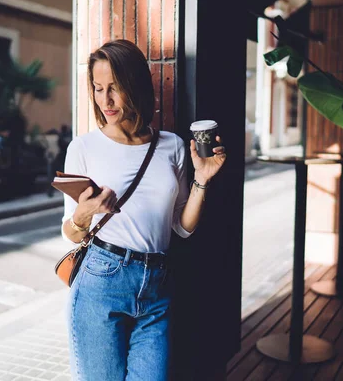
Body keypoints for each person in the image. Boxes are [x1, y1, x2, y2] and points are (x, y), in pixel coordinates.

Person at [61, 39, 226, 381]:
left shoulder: (172, 145)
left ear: (135, 86)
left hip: (157, 287)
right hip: (101, 282)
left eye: (115, 89)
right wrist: (83, 214)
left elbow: (182, 227)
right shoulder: (84, 148)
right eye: (98, 88)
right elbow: (69, 231)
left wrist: (202, 180)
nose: (105, 100)